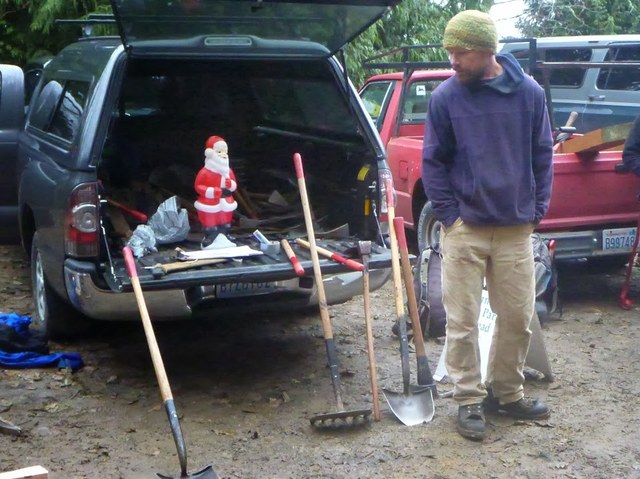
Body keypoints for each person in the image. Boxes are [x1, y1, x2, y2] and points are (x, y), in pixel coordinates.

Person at [421, 10, 554, 441]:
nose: (453, 60)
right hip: (465, 229)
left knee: (518, 317)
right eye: (450, 52)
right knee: (460, 321)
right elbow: (434, 163)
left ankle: (507, 393)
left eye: (460, 52)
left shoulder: (529, 94)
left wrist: (537, 210)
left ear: (486, 50)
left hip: (516, 227)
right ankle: (467, 400)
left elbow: (542, 153)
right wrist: (449, 216)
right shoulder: (446, 98)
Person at [194, 135, 238, 248]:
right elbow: (198, 186)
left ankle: (225, 234)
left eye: (225, 151)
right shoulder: (205, 172)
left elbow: (234, 185)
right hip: (209, 203)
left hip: (226, 201)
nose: (223, 154)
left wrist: (231, 185)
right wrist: (212, 192)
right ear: (210, 153)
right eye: (219, 151)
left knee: (225, 221)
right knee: (210, 222)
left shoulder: (228, 171)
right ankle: (210, 236)